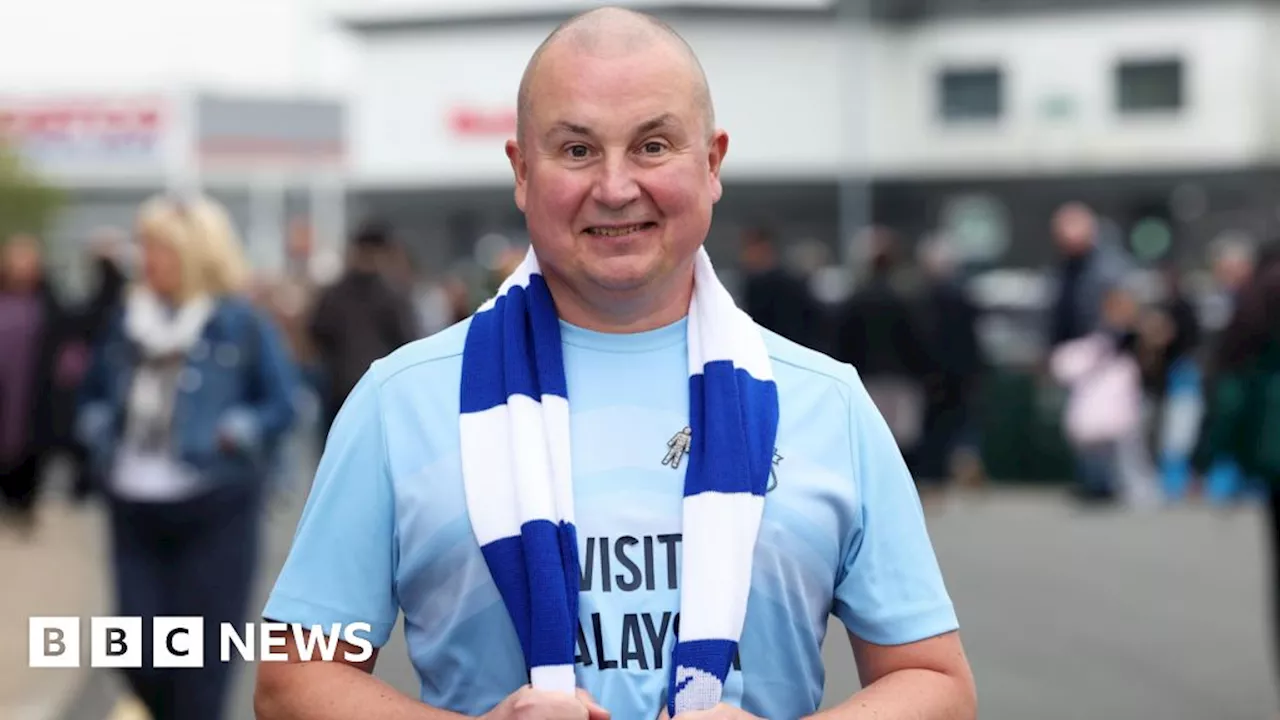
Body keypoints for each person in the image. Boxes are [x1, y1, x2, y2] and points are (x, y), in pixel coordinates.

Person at [256, 7, 975, 720]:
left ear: (713, 163)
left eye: (654, 145)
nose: (616, 186)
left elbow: (936, 682)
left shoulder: (827, 403)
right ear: (521, 170)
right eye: (576, 150)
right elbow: (292, 681)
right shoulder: (400, 403)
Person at [76, 194, 298, 720]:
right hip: (132, 505)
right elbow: (91, 395)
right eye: (144, 246)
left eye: (156, 247)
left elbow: (283, 403)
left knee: (203, 666)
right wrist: (97, 428)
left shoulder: (240, 323)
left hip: (215, 504)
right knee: (135, 654)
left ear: (194, 253)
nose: (144, 258)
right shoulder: (126, 321)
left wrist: (236, 429)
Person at [308, 219, 421, 436]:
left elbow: (316, 336)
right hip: (377, 393)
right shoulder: (393, 294)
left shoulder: (334, 294)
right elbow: (408, 341)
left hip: (343, 393)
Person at [0, 233, 67, 535]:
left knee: (31, 442)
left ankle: (24, 505)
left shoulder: (48, 301)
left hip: (34, 385)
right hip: (4, 382)